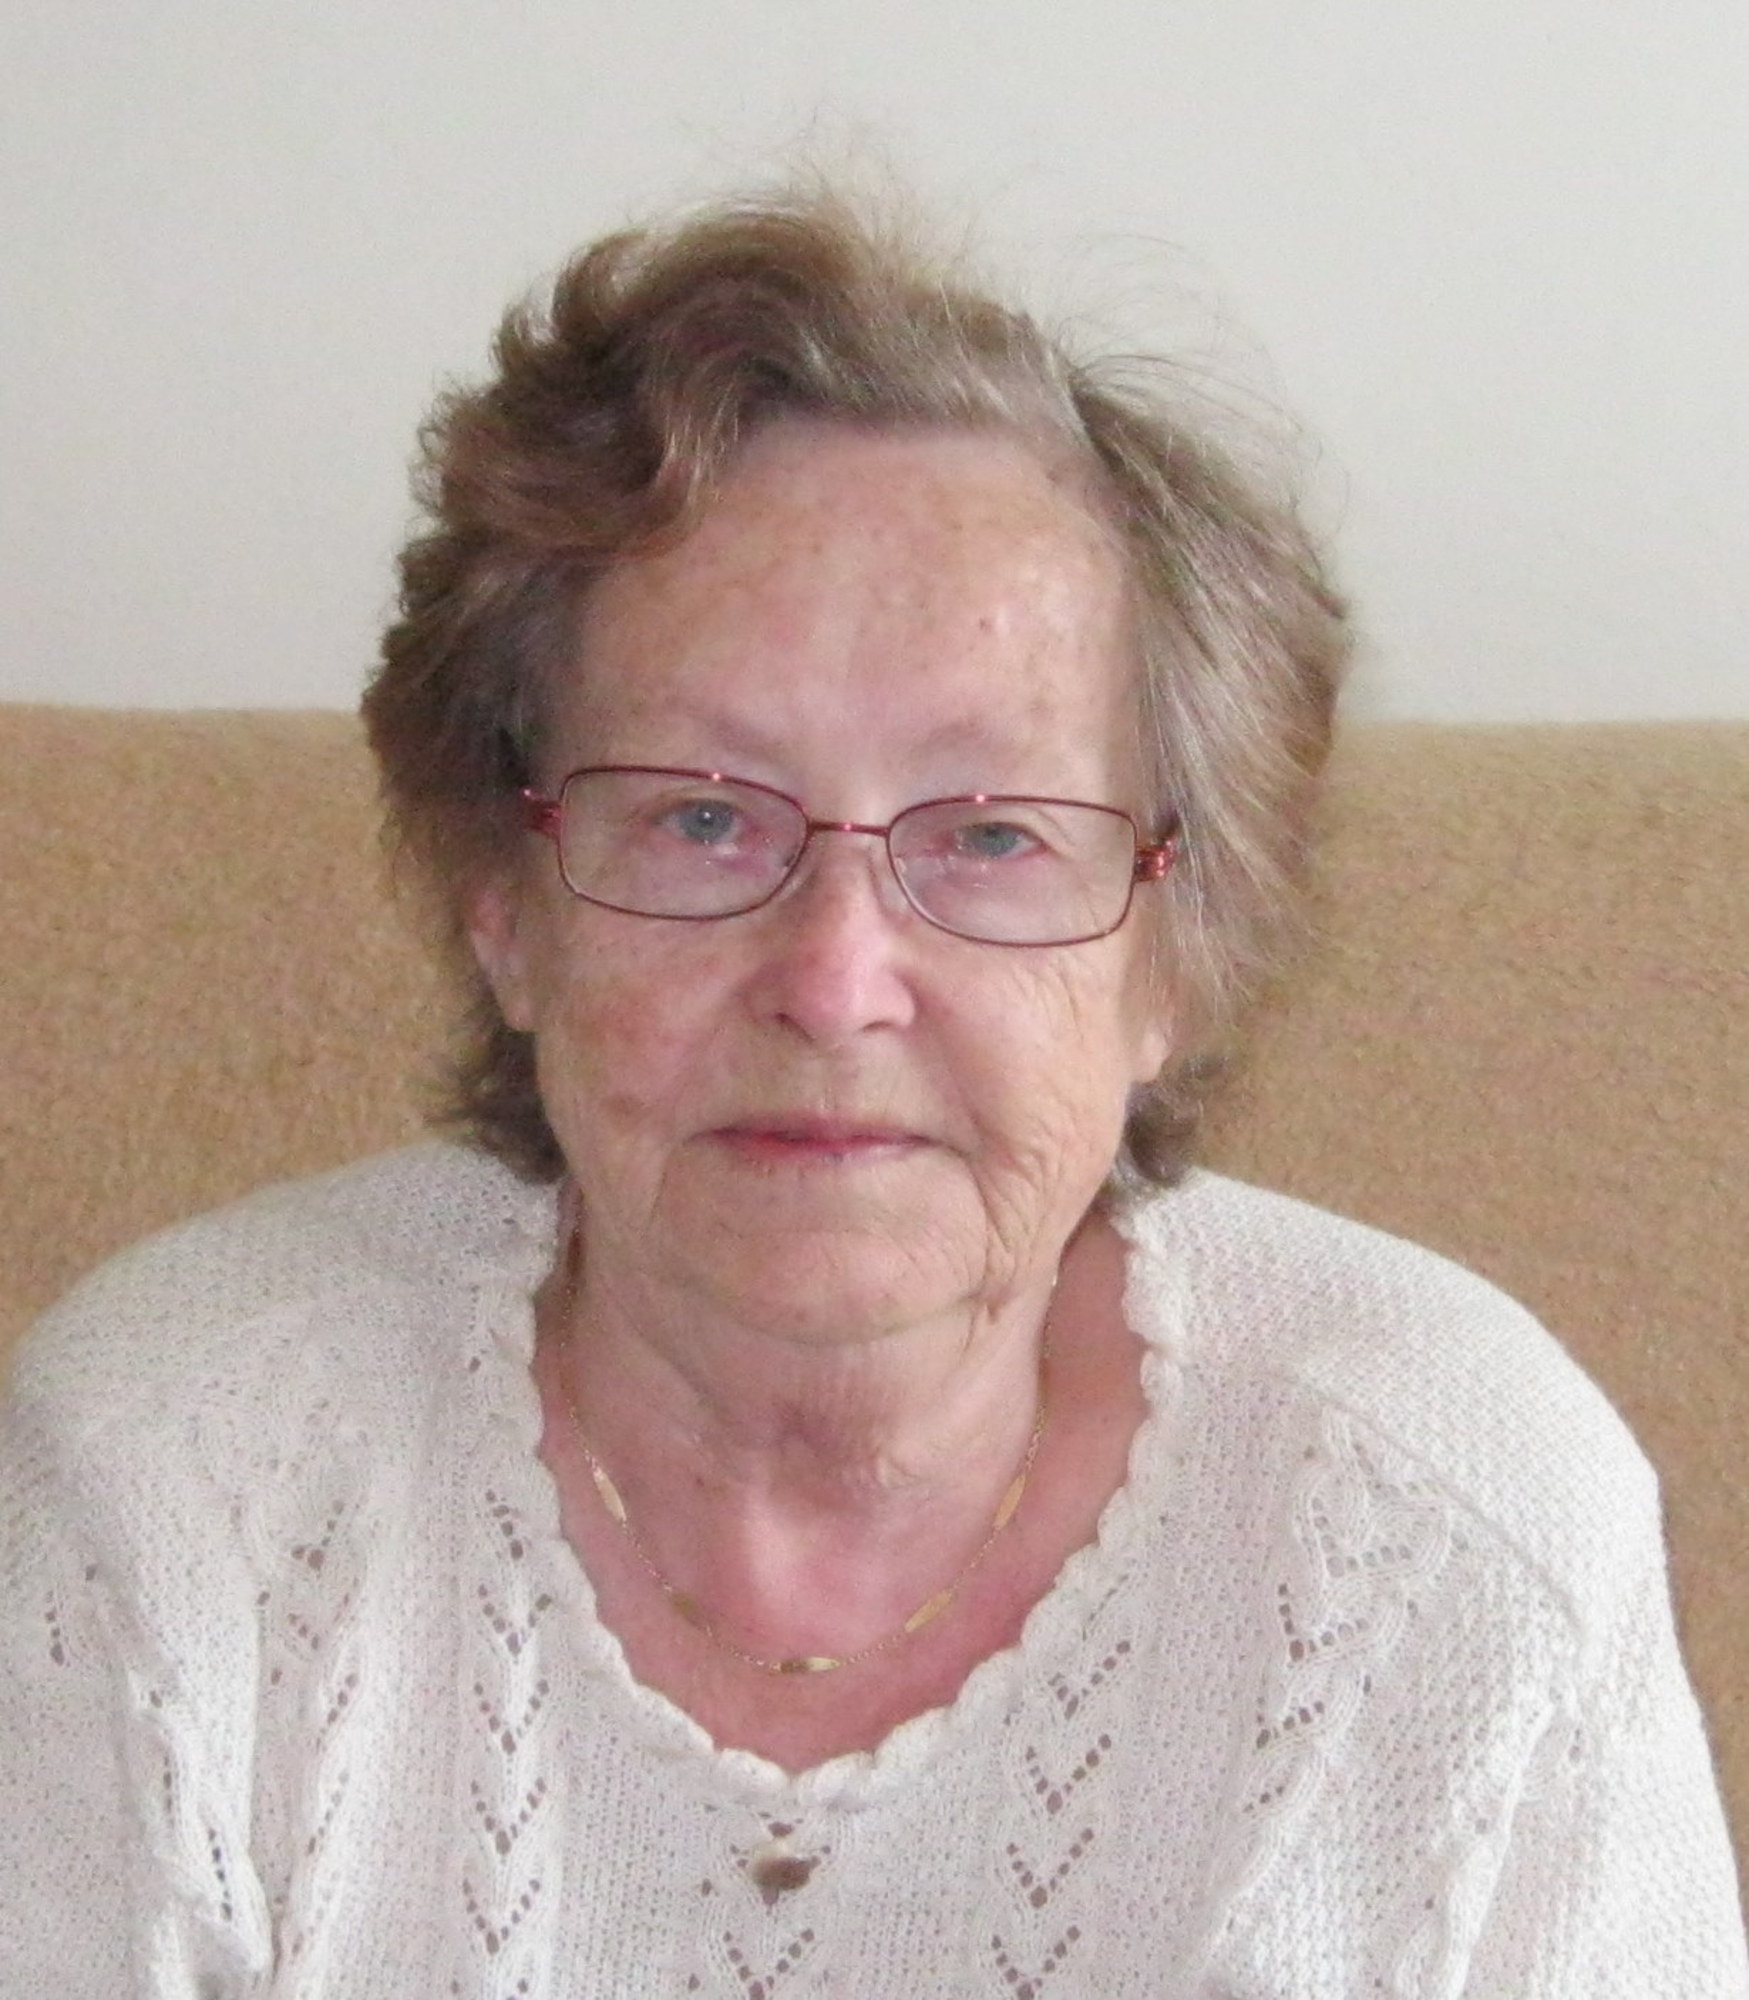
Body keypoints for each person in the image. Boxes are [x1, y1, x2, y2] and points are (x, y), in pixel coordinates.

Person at [3, 184, 1743, 1999]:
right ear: (505, 911)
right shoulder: (174, 1488)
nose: (834, 982)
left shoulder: (1453, 1528)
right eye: (701, 818)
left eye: (989, 836)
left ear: (1171, 951)